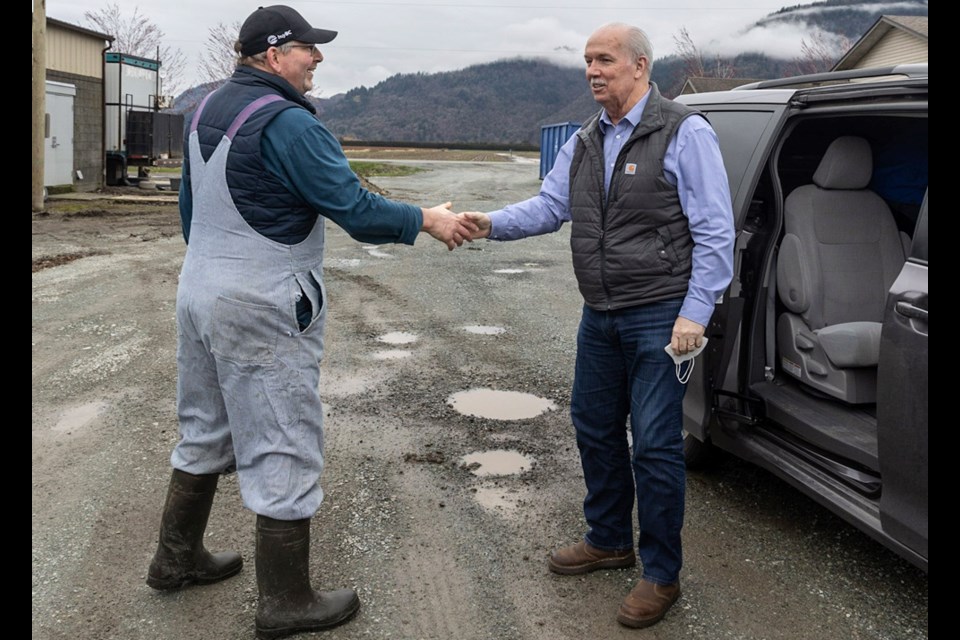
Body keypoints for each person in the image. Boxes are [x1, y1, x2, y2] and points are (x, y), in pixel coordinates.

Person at [144, 5, 477, 640]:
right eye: (307, 48)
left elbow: (190, 209)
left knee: (204, 425)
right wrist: (426, 219)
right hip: (261, 299)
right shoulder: (290, 124)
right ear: (273, 55)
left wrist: (215, 271)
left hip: (199, 290)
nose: (316, 58)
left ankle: (174, 559)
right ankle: (286, 601)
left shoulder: (204, 110)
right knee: (284, 437)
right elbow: (353, 207)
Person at [461, 22, 735, 629]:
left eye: (605, 59)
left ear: (640, 65)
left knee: (658, 444)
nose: (593, 70)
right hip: (601, 314)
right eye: (587, 60)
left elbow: (715, 230)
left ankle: (662, 574)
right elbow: (551, 206)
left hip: (662, 315)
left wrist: (695, 312)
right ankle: (609, 539)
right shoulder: (586, 139)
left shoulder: (683, 132)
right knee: (593, 425)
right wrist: (490, 223)